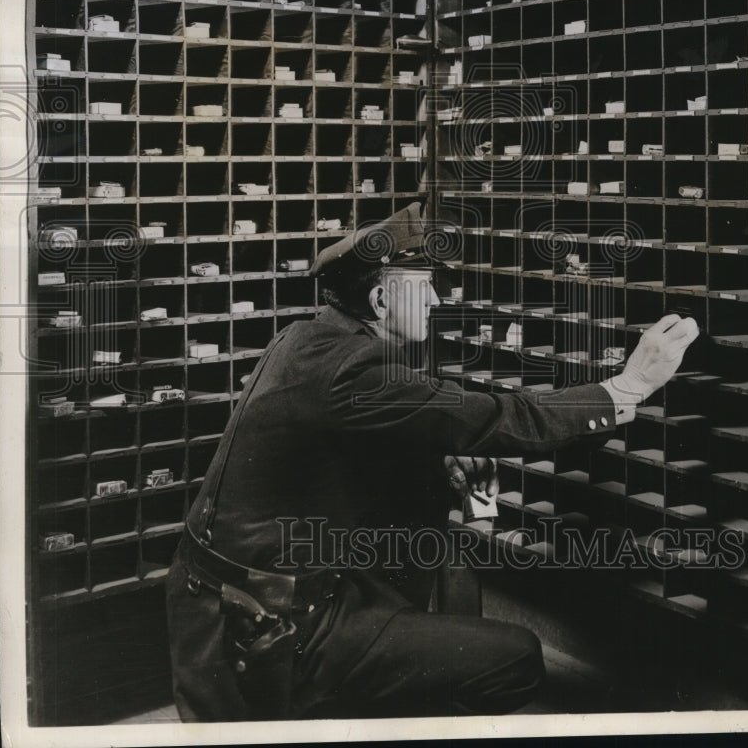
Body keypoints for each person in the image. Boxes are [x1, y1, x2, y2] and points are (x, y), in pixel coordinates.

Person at [166, 202, 698, 721]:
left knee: (424, 524)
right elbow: (496, 417)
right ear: (380, 300)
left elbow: (333, 443)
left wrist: (434, 463)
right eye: (425, 289)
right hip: (272, 628)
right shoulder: (358, 367)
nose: (437, 303)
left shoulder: (306, 338)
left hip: (219, 600)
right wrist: (626, 388)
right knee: (516, 658)